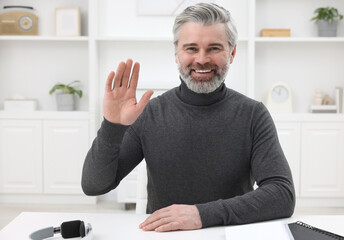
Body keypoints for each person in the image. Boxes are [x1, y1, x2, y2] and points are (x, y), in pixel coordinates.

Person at [81, 3, 295, 233]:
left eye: (214, 48)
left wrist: (202, 214)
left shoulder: (253, 115)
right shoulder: (150, 114)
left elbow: (281, 194)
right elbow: (94, 186)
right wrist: (113, 126)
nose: (202, 59)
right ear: (176, 54)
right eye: (191, 48)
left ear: (232, 53)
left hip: (230, 234)